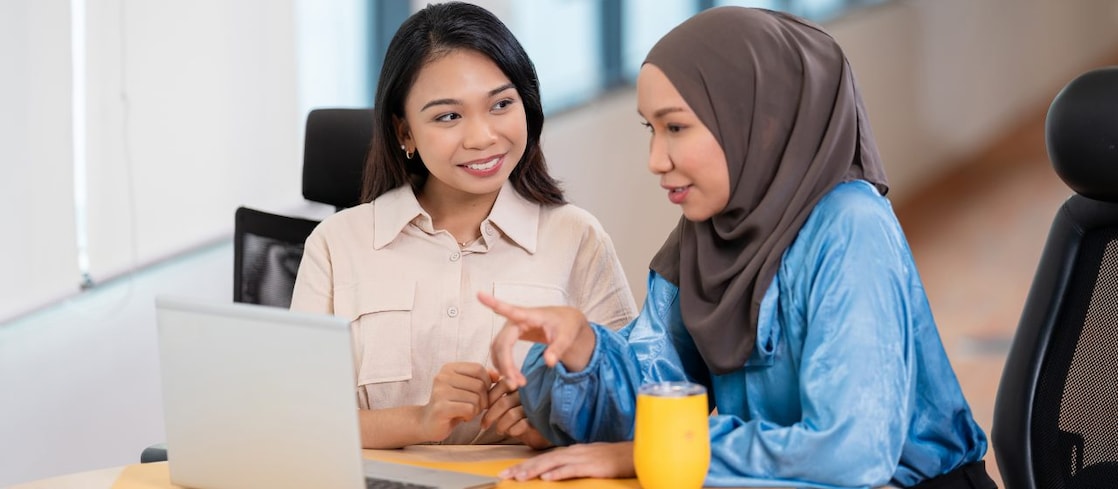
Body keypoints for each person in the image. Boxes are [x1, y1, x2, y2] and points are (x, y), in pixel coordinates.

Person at [479, 7, 996, 488]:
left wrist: (645, 454)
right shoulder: (704, 236)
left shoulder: (850, 226)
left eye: (676, 127)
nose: (656, 159)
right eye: (650, 129)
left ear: (760, 122)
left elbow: (849, 452)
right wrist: (581, 347)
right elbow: (652, 399)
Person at [291, 1, 638, 450]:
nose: (482, 137)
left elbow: (631, 407)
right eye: (448, 116)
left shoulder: (577, 238)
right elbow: (300, 419)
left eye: (501, 104)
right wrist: (419, 421)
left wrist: (551, 428)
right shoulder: (337, 244)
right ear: (404, 132)